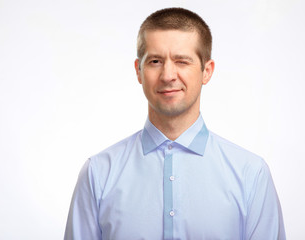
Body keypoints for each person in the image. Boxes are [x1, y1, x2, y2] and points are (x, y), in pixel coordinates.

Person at [64, 7, 286, 240]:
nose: (168, 75)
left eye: (182, 61)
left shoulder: (251, 175)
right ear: (139, 71)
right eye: (155, 61)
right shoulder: (98, 173)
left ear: (206, 71)